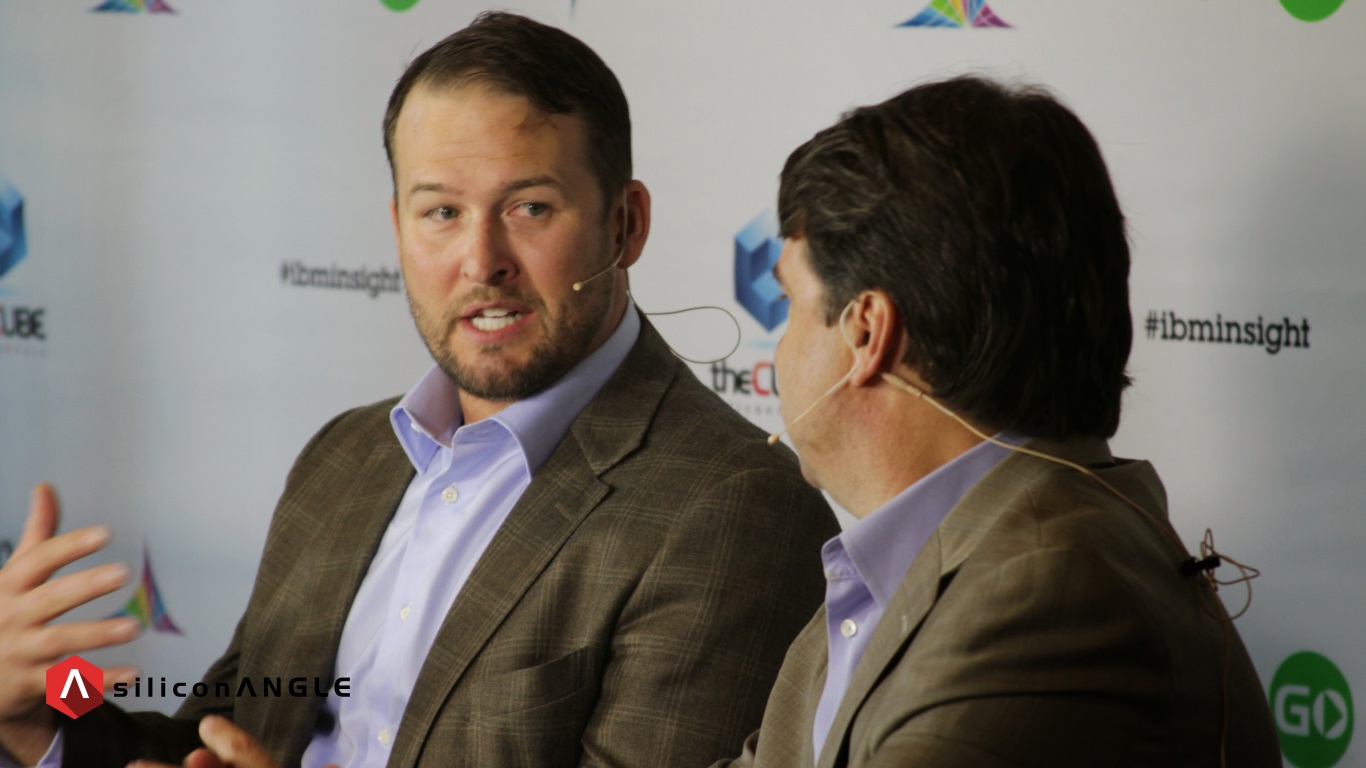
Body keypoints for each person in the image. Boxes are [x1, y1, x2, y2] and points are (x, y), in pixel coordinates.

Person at [0, 12, 837, 768]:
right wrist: (40, 720)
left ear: (625, 225)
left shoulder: (733, 507)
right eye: (440, 212)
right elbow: (217, 738)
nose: (481, 262)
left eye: (531, 208)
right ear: (396, 225)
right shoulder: (344, 458)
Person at [716, 76, 1281, 767]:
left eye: (790, 305)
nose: (779, 345)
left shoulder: (1049, 593)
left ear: (867, 333)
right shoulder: (905, 568)